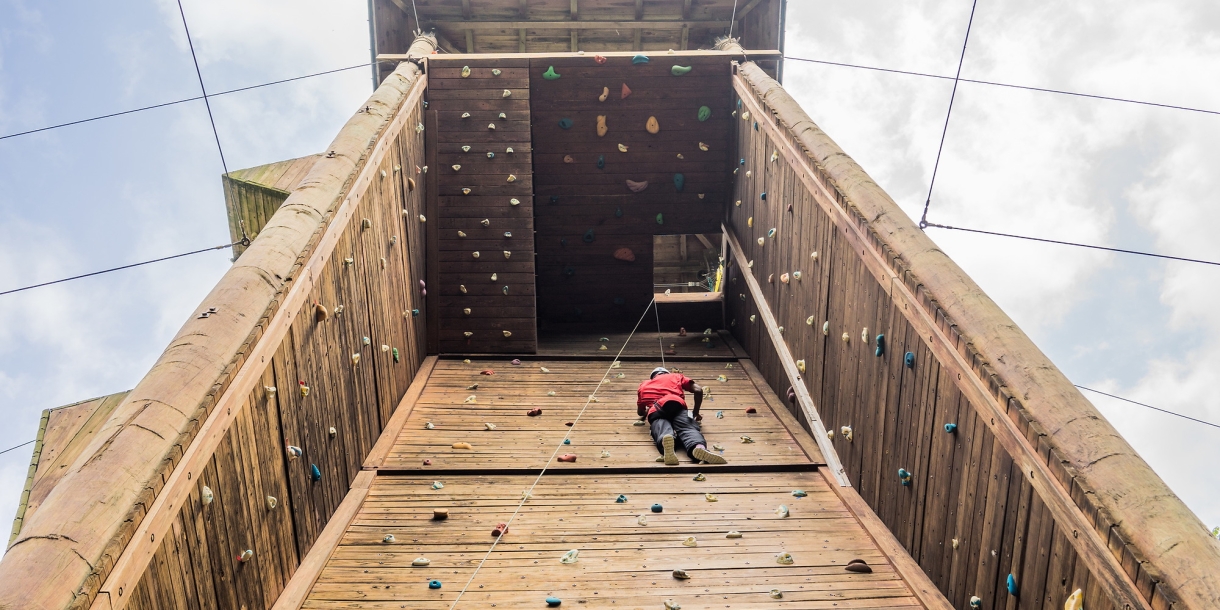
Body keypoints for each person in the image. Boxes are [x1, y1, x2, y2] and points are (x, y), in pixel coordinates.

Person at [636, 367, 727, 465]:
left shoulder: (644, 385)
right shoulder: (676, 376)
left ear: (653, 377)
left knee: (661, 427)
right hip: (677, 404)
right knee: (688, 428)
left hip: (657, 408)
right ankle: (698, 447)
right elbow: (698, 390)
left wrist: (647, 411)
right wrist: (695, 412)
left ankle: (665, 442)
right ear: (666, 373)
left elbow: (640, 412)